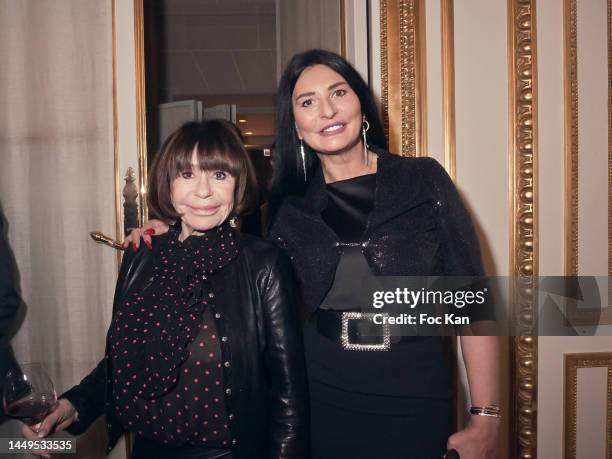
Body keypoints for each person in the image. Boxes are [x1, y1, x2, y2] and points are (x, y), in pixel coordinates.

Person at [126, 51, 500, 458]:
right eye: (307, 102)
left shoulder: (422, 179)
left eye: (338, 93)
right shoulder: (283, 206)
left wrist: (485, 418)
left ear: (361, 104)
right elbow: (221, 240)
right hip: (320, 398)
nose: (327, 110)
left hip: (415, 391)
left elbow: (474, 303)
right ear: (297, 128)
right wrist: (166, 229)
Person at [22, 120, 310, 459]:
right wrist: (73, 406)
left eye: (219, 175)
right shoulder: (141, 257)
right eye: (187, 175)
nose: (203, 191)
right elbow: (123, 363)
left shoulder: (264, 264)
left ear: (238, 185)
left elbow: (289, 396)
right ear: (168, 184)